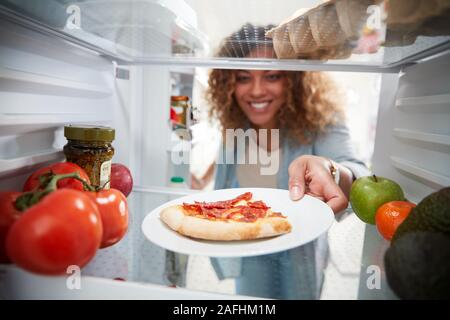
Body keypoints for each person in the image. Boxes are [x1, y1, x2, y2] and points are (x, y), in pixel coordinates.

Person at [192, 23, 369, 299]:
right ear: (228, 83)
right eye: (243, 77)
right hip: (248, 250)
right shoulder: (236, 126)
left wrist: (332, 171)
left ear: (293, 80)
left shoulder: (320, 122)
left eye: (272, 76)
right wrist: (204, 183)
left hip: (301, 255)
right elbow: (226, 166)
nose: (256, 90)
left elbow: (358, 171)